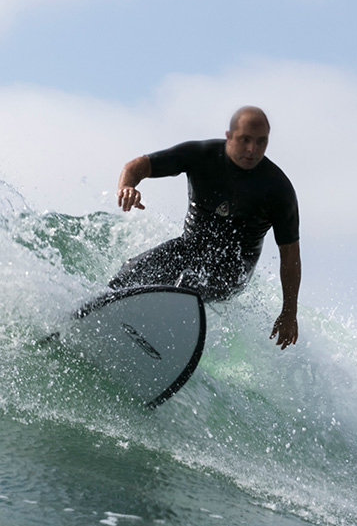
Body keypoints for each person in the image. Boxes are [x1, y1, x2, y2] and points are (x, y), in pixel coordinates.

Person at [109, 106, 301, 348]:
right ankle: (93, 316)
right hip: (189, 247)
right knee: (130, 273)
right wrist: (127, 186)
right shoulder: (201, 155)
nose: (253, 149)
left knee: (186, 284)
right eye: (245, 140)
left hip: (232, 270)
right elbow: (138, 165)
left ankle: (156, 344)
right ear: (229, 136)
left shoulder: (278, 189)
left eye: (261, 142)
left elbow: (290, 255)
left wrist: (289, 312)